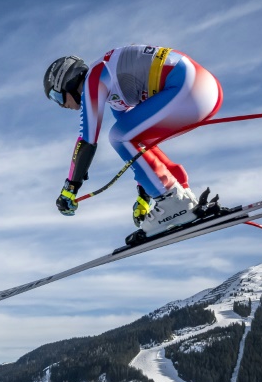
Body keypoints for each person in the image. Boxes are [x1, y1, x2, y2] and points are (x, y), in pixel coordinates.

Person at [43, 45, 224, 240]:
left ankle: (171, 200)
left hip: (190, 88)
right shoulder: (114, 92)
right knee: (130, 135)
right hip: (203, 90)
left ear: (67, 82)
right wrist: (144, 195)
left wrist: (70, 188)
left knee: (118, 136)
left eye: (56, 96)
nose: (61, 105)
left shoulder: (95, 78)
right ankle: (180, 195)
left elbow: (87, 139)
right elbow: (139, 147)